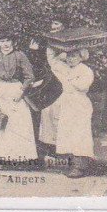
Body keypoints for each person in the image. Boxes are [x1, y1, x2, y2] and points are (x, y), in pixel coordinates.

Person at [0, 33, 37, 165]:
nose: (5, 44)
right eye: (2, 41)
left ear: (13, 42)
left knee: (17, 124)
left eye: (8, 40)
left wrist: (21, 92)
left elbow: (30, 76)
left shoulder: (20, 55)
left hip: (15, 91)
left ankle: (18, 158)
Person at [47, 46, 95, 178]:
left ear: (81, 57)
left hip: (79, 104)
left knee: (80, 133)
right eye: (68, 56)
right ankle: (71, 163)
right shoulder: (65, 68)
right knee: (66, 131)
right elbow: (53, 62)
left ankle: (80, 166)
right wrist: (52, 46)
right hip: (67, 103)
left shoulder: (85, 70)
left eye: (74, 56)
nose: (70, 59)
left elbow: (83, 85)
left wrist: (69, 79)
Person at [34, 19, 66, 151]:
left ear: (63, 26)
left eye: (57, 23)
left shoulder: (69, 43)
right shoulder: (46, 42)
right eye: (52, 23)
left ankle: (62, 144)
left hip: (65, 77)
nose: (54, 26)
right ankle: (49, 144)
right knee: (48, 109)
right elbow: (40, 63)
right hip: (50, 78)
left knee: (61, 110)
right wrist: (35, 51)